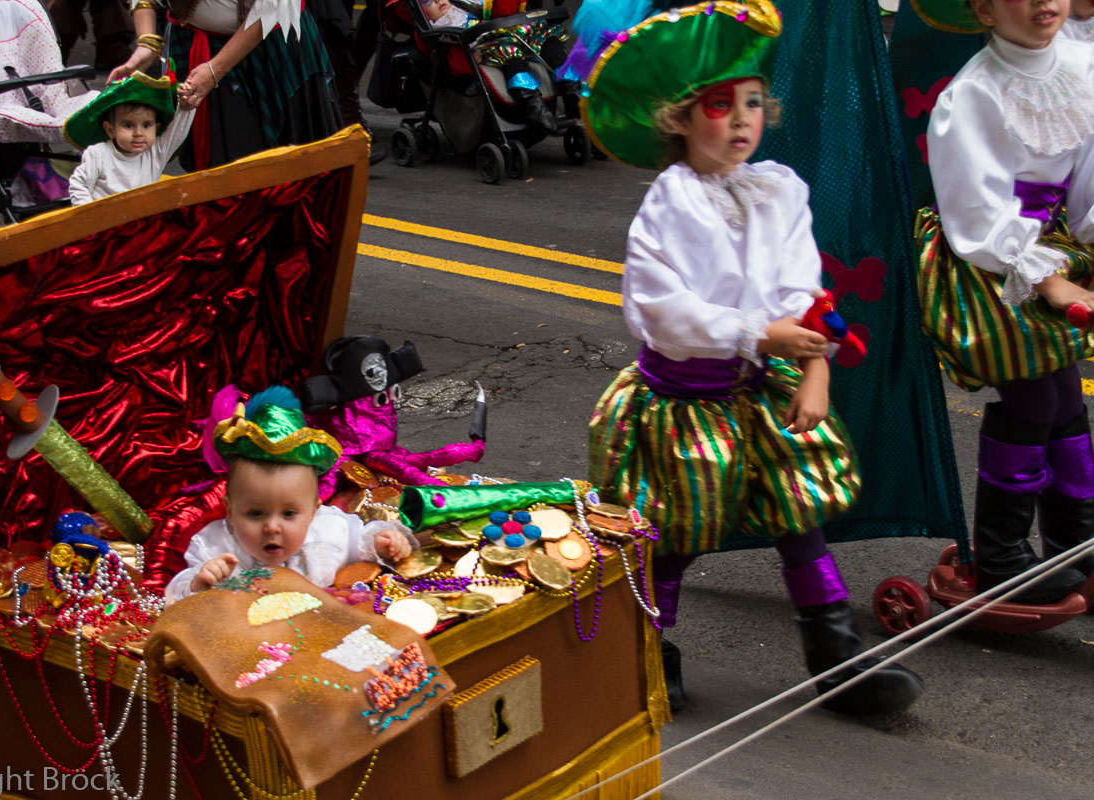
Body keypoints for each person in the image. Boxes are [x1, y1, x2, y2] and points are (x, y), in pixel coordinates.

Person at [577, 0, 924, 716]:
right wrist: (758, 336)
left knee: (799, 516)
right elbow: (660, 312)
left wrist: (819, 364)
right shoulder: (671, 204)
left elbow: (803, 290)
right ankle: (645, 650)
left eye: (754, 103)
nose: (741, 119)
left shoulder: (778, 190)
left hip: (763, 390)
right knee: (676, 533)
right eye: (720, 104)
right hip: (684, 403)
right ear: (679, 118)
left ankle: (835, 657)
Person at [913, 0, 1094, 603]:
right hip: (990, 261)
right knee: (1034, 392)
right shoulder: (972, 95)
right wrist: (1047, 279)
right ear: (985, 10)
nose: (1046, 1)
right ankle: (1001, 557)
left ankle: (1075, 542)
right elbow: (976, 212)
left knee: (1067, 397)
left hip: (1052, 244)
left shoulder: (1081, 62)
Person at [166, 386, 416, 604]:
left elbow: (360, 542)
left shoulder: (328, 531)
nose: (272, 527)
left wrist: (383, 544)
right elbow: (177, 595)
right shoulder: (216, 547)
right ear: (230, 510)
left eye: (289, 513)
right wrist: (199, 583)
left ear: (313, 511)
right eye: (255, 513)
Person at [108, 0, 343, 173]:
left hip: (271, 50)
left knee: (284, 174)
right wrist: (147, 42)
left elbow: (275, 7)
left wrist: (215, 69)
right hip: (194, 44)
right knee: (221, 175)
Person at [421, 0, 569, 133]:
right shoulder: (440, 28)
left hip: (509, 31)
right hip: (490, 47)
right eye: (428, 1)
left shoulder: (462, 7)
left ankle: (570, 88)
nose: (437, 0)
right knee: (507, 50)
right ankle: (533, 104)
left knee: (548, 39)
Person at [65, 67, 196, 205]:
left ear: (156, 128)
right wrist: (92, 216)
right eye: (128, 125)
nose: (138, 133)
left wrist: (186, 107)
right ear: (110, 130)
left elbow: (177, 133)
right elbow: (79, 185)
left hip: (141, 223)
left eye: (146, 125)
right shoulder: (98, 154)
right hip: (107, 222)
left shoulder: (155, 153)